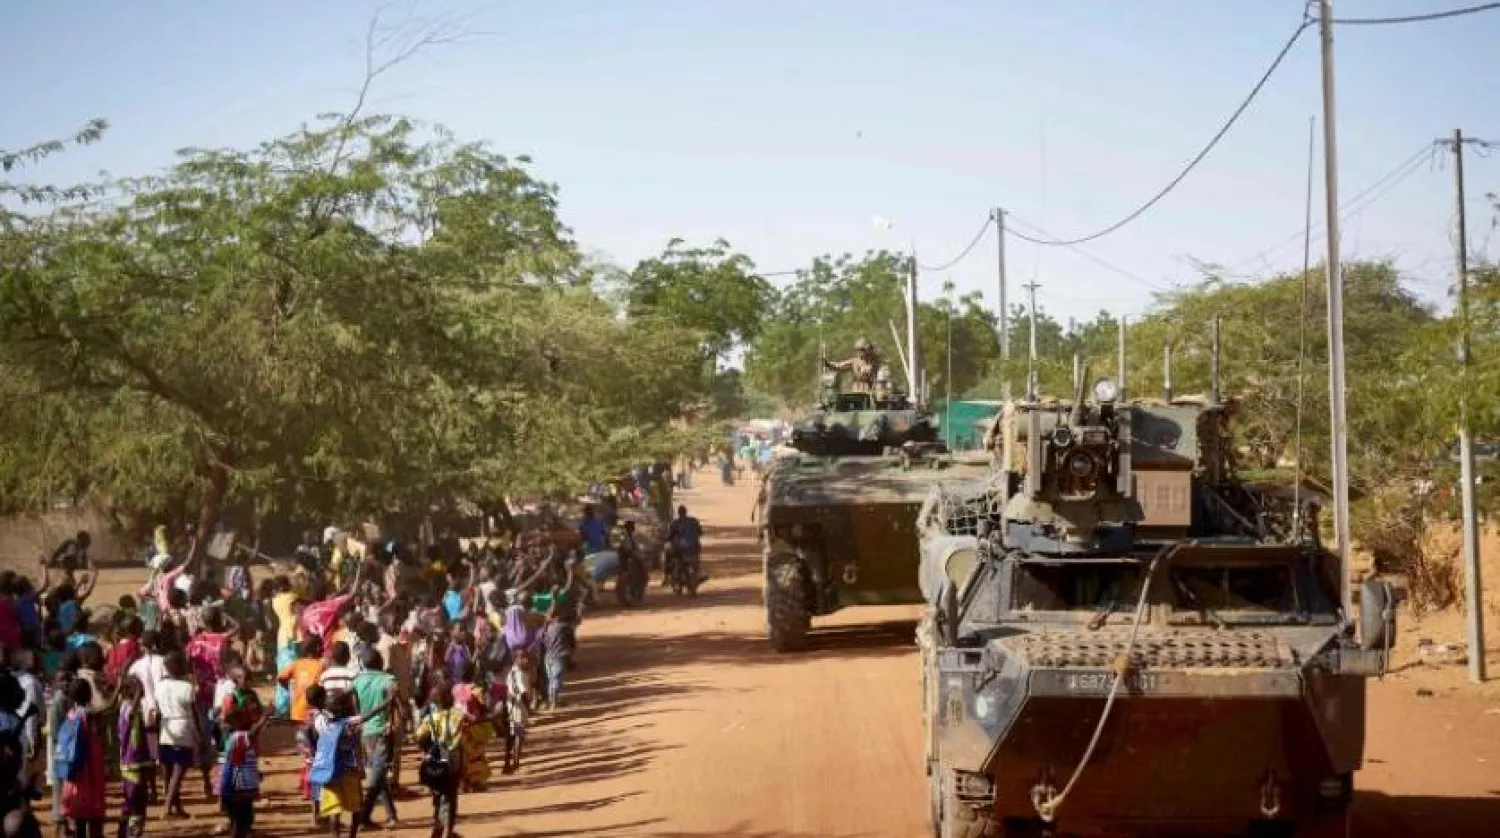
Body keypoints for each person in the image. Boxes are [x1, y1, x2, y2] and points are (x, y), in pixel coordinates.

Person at [154, 651, 204, 820]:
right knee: (179, 770)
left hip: (165, 728)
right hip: (182, 728)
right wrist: (200, 736)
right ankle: (168, 806)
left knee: (168, 771)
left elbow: (158, 712)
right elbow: (195, 713)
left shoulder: (159, 686)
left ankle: (176, 806)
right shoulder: (187, 687)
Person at [352, 650, 398, 830]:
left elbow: (352, 696)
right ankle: (364, 817)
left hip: (365, 733)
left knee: (378, 773)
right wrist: (392, 722)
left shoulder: (358, 679)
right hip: (382, 731)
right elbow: (395, 700)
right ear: (380, 662)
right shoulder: (388, 679)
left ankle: (391, 815)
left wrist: (358, 717)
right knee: (377, 776)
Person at [413, 678, 462, 838]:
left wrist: (426, 747)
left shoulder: (431, 719)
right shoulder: (458, 716)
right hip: (454, 762)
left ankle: (437, 829)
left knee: (437, 797)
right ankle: (448, 830)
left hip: (436, 763)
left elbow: (418, 736)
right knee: (450, 798)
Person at [58, 678, 106, 838]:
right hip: (90, 767)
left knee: (79, 813)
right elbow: (109, 707)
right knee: (93, 811)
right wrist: (118, 685)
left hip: (76, 767)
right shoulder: (86, 714)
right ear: (89, 695)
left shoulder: (70, 714)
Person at [312, 691, 364, 838]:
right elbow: (367, 718)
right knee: (356, 806)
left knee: (334, 809)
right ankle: (352, 835)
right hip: (349, 771)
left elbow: (314, 739)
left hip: (329, 771)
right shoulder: (350, 724)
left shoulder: (320, 721)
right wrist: (385, 703)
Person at [115, 676, 151, 838]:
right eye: (137, 688)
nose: (142, 691)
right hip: (132, 762)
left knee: (136, 798)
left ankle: (126, 832)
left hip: (137, 760)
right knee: (136, 799)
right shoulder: (127, 708)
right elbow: (130, 717)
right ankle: (131, 833)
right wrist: (138, 692)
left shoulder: (133, 708)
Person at [278, 637, 326, 724]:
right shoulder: (321, 666)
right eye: (321, 646)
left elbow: (281, 678)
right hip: (313, 715)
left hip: (296, 713)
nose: (323, 649)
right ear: (316, 647)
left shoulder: (297, 663)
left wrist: (288, 689)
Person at [504, 650, 532, 774]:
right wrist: (529, 708)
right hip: (518, 708)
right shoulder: (519, 674)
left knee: (512, 735)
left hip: (511, 707)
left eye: (526, 657)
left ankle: (508, 763)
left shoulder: (511, 672)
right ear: (516, 659)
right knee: (518, 735)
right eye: (522, 658)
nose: (525, 660)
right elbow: (523, 692)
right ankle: (516, 762)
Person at [665, 505, 706, 586]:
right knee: (696, 562)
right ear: (686, 512)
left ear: (679, 513)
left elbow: (670, 536)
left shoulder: (676, 523)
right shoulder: (694, 521)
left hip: (681, 549)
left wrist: (667, 539)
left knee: (669, 554)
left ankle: (667, 577)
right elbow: (700, 532)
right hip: (694, 548)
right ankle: (698, 573)